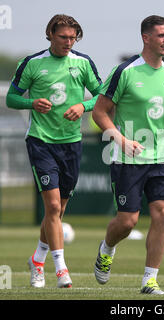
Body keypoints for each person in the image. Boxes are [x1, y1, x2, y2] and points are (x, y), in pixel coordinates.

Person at [92, 15, 164, 294]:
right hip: (128, 158)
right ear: (146, 38)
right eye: (162, 35)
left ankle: (150, 280)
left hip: (162, 155)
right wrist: (120, 138)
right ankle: (107, 248)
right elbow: (99, 111)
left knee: (163, 213)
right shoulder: (125, 71)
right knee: (127, 221)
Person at [6, 14, 103, 288]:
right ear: (50, 34)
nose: (68, 42)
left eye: (73, 38)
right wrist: (31, 103)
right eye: (63, 37)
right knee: (51, 206)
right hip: (41, 141)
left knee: (57, 211)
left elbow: (103, 96)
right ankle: (60, 269)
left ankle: (37, 259)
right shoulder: (32, 63)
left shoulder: (83, 63)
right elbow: (11, 98)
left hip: (71, 143)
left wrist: (83, 106)